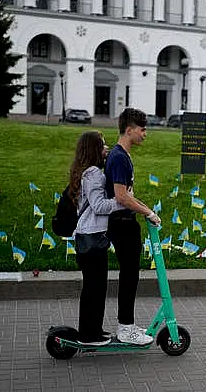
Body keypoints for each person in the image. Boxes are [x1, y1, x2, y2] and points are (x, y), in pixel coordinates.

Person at [105, 108, 161, 346]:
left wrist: (148, 211)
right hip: (122, 224)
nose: (145, 134)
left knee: (132, 275)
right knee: (129, 276)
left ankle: (126, 325)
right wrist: (147, 211)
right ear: (129, 130)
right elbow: (121, 197)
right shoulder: (118, 157)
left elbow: (129, 195)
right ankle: (125, 329)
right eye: (142, 129)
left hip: (127, 222)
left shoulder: (121, 155)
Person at [70, 131, 122, 346]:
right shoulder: (92, 174)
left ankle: (94, 330)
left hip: (91, 236)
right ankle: (88, 334)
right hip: (90, 238)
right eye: (102, 145)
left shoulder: (88, 172)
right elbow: (99, 206)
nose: (106, 148)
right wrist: (123, 201)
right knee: (94, 287)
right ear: (93, 149)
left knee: (96, 286)